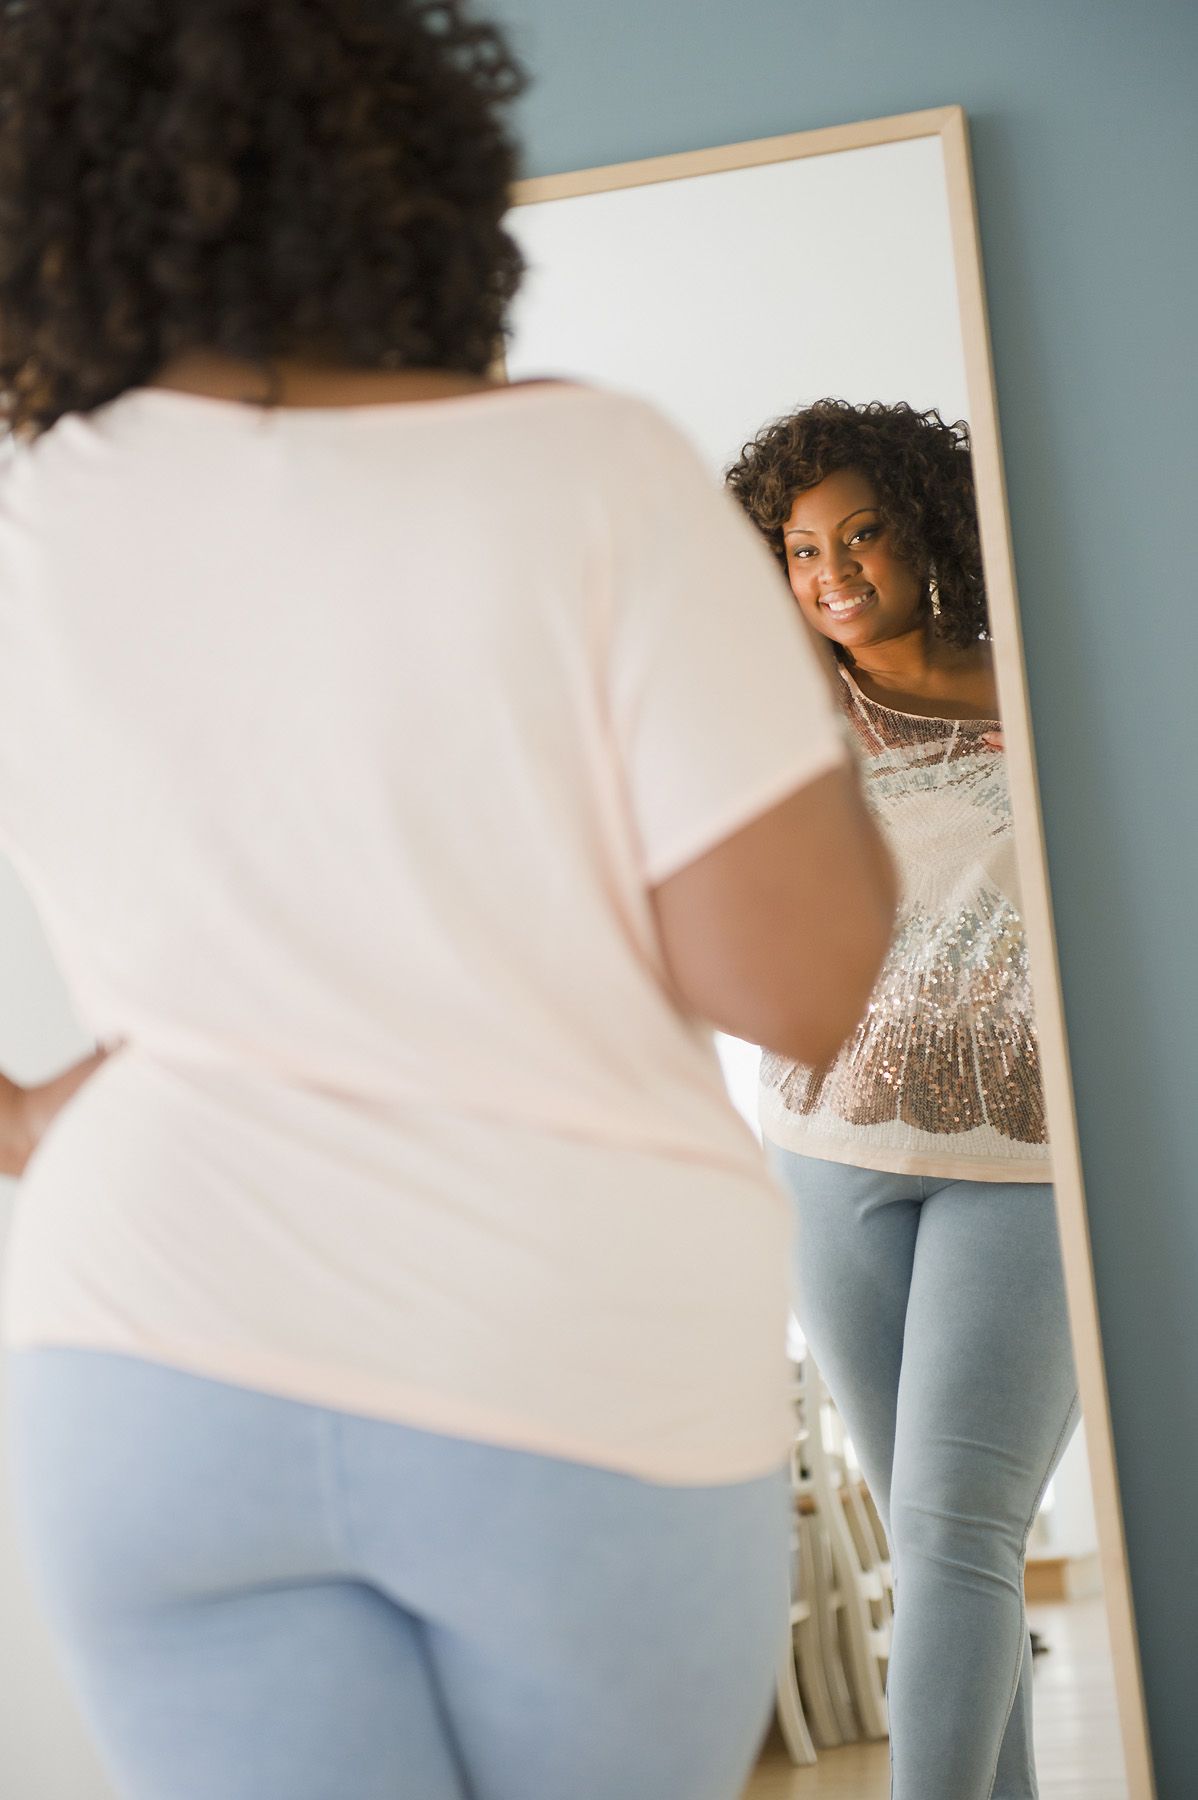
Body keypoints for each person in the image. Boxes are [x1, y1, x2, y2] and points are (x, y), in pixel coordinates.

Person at [0, 8, 896, 1800]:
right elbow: (793, 981)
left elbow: (286, 990)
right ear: (413, 178)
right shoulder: (590, 475)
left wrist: (40, 1117)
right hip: (564, 1365)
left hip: (147, 1367)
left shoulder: (31, 517)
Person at [726, 398, 1076, 1800]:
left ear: (923, 529)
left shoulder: (1041, 683)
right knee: (940, 1544)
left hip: (1025, 1162)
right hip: (824, 1154)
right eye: (800, 550)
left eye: (860, 532)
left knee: (956, 1530)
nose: (831, 574)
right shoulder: (791, 702)